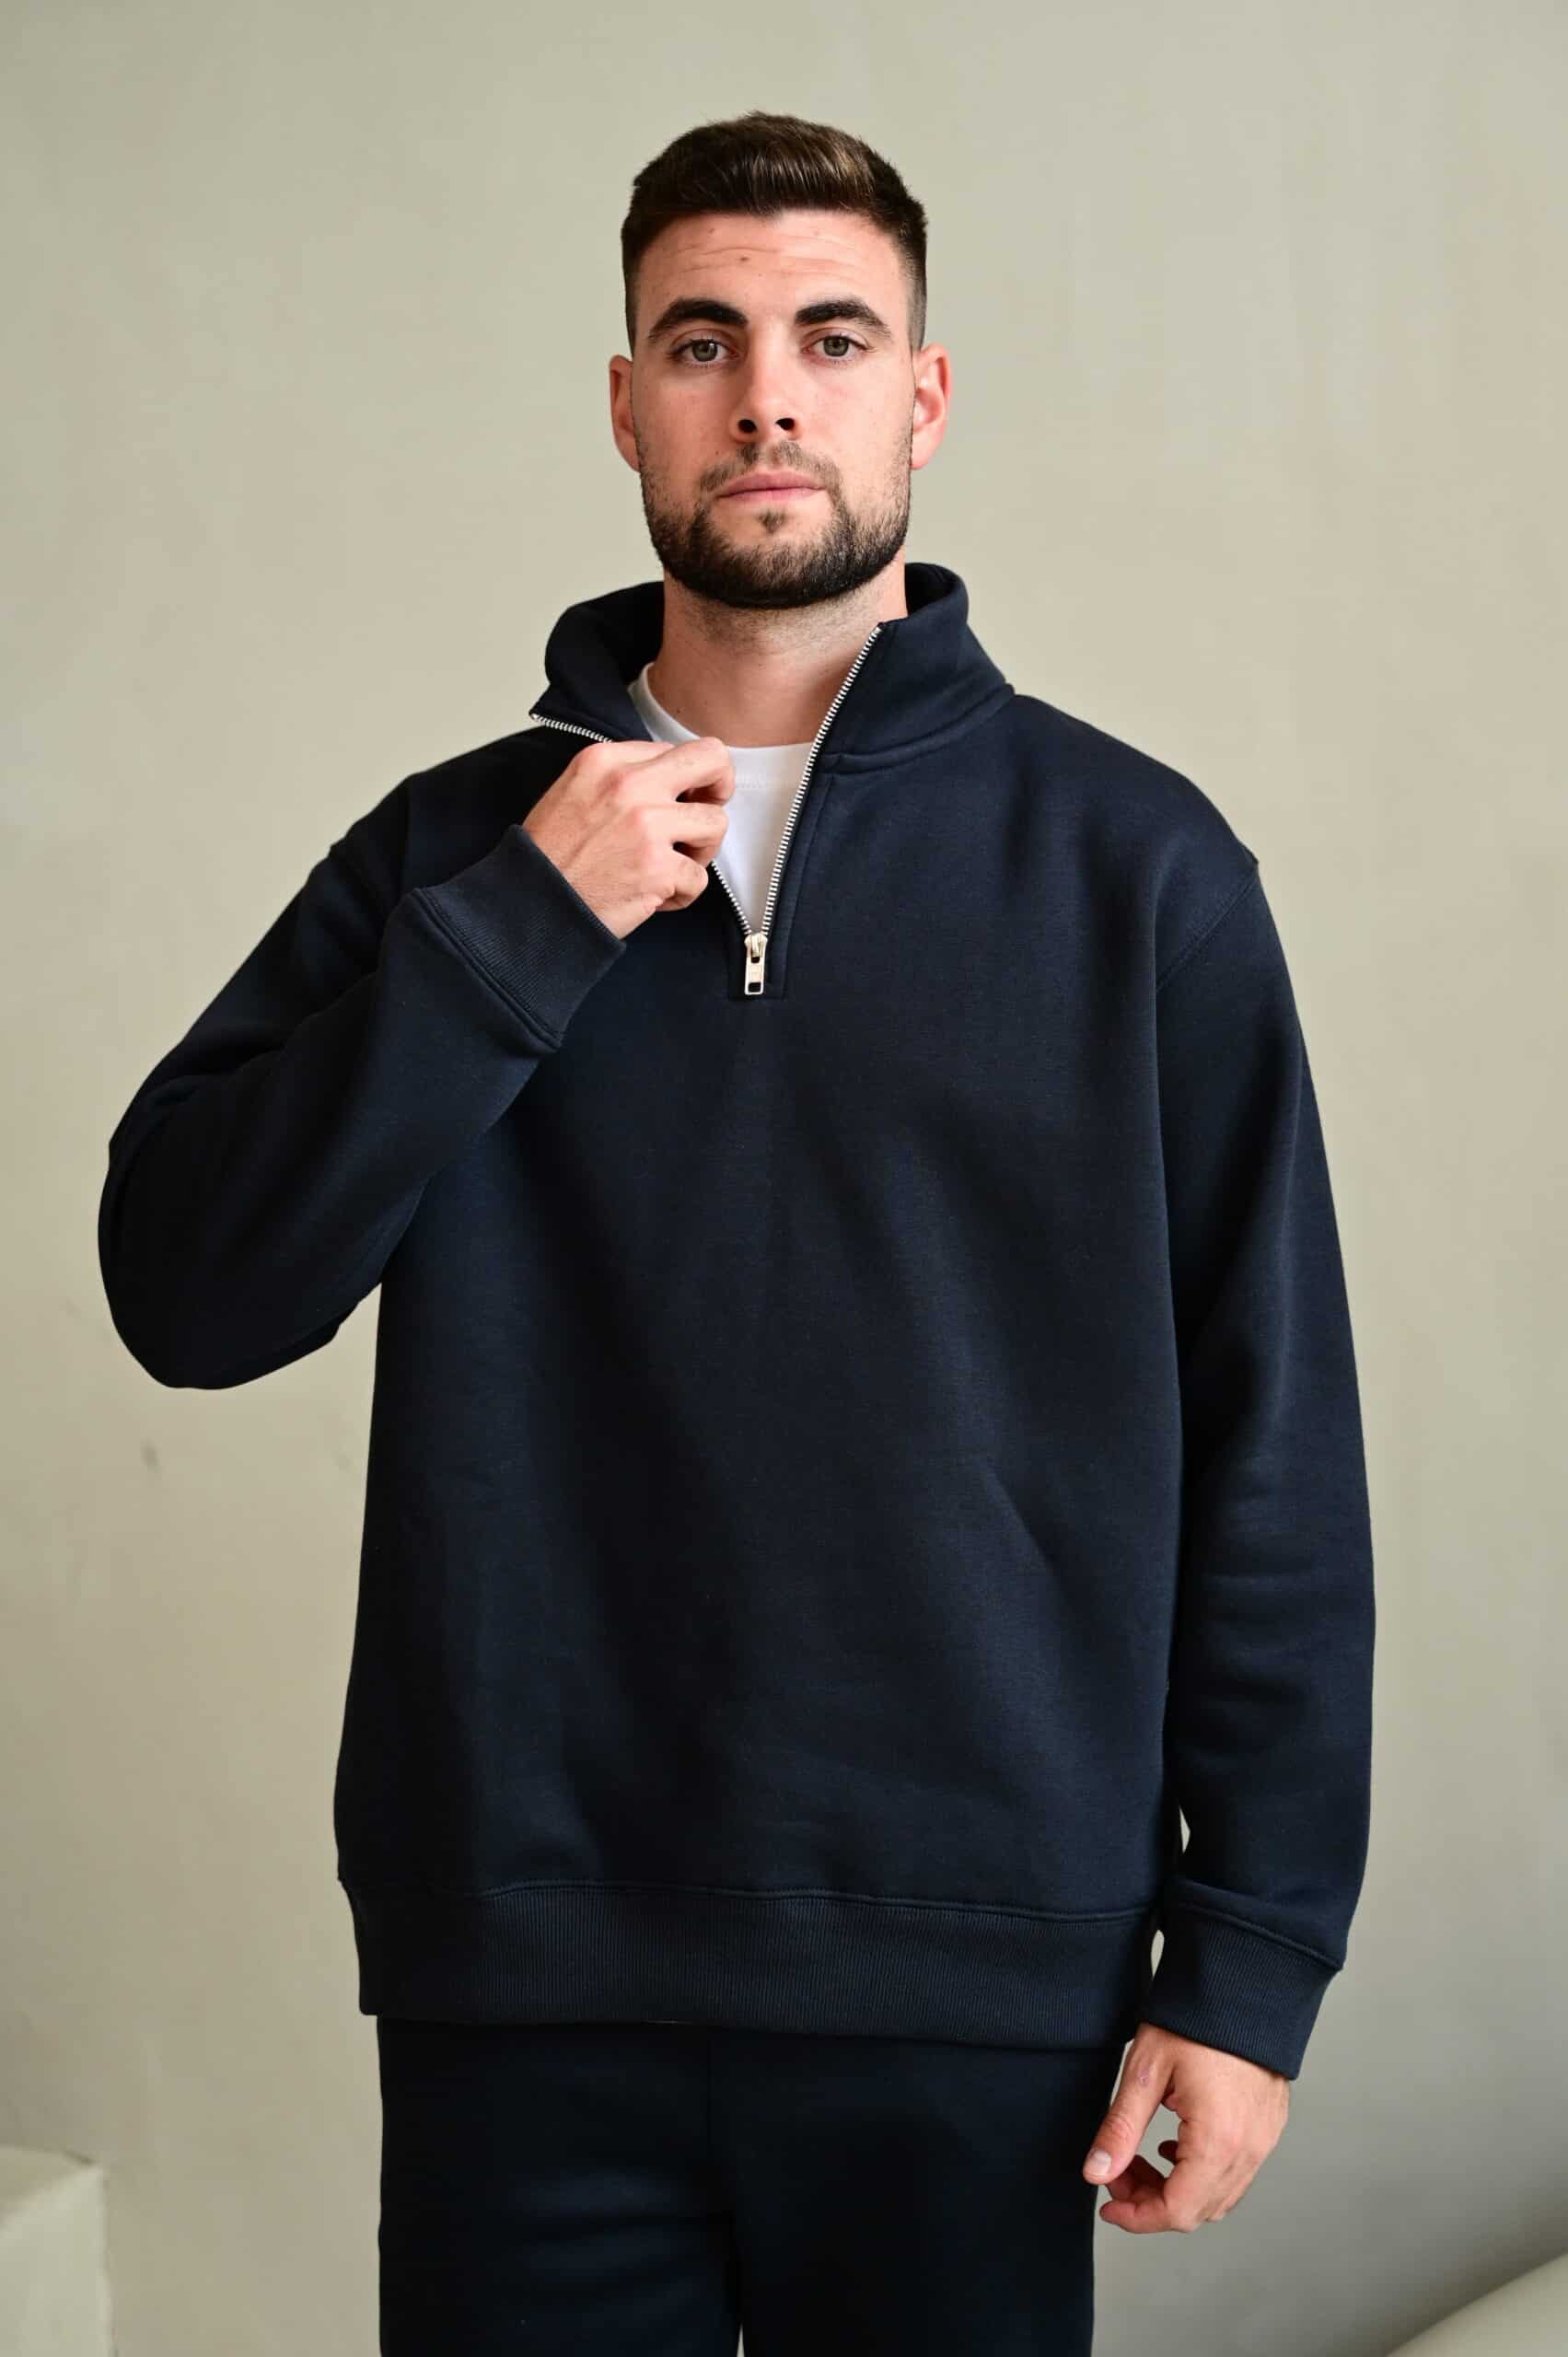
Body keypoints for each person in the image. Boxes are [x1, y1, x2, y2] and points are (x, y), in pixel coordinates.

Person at [97, 107, 1376, 2356]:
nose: (767, 395)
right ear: (628, 403)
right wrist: (518, 934)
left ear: (923, 397)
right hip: (530, 1984)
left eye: (830, 338)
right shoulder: (456, 858)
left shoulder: (1137, 872)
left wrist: (1250, 1958)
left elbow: (1271, 1445)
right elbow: (187, 1290)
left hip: (980, 1990)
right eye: (703, 342)